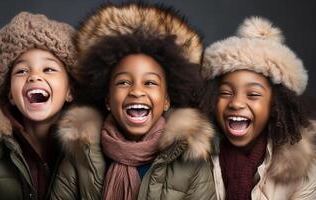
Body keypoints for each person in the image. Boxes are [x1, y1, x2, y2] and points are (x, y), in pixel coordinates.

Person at [51, 2, 217, 200]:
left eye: (149, 82)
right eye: (123, 82)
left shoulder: (190, 158)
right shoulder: (80, 152)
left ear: (166, 101)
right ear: (107, 99)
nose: (137, 91)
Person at [200, 16, 316, 199]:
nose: (236, 103)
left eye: (253, 94)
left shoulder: (304, 170)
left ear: (276, 105)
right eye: (226, 93)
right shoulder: (194, 155)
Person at [0, 12, 79, 200]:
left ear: (70, 90)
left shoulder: (89, 149)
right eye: (22, 71)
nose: (34, 76)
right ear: (10, 93)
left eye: (49, 69)